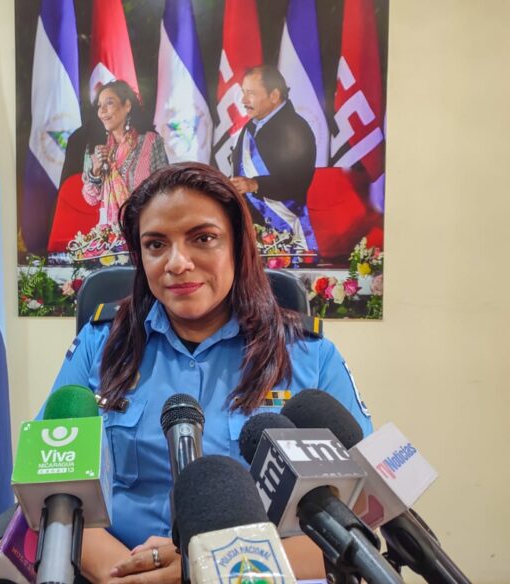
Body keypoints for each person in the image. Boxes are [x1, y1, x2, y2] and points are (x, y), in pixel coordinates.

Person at [44, 163, 373, 583]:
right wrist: (124, 575)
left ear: (238, 244)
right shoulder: (100, 345)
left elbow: (359, 518)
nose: (177, 263)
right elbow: (52, 490)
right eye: (156, 244)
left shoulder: (311, 356)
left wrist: (203, 568)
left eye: (203, 238)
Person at [230, 65, 318, 253]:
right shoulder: (250, 127)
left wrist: (255, 184)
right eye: (243, 92)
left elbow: (298, 181)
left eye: (251, 93)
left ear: (274, 95)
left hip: (283, 231)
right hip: (251, 230)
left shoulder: (295, 129)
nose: (244, 100)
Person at [82, 80, 168, 227]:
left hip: (146, 227)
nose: (102, 111)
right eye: (99, 106)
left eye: (109, 103)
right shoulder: (97, 149)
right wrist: (95, 171)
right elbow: (91, 199)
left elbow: (165, 190)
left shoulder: (151, 142)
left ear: (127, 105)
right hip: (110, 232)